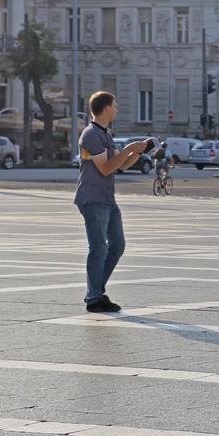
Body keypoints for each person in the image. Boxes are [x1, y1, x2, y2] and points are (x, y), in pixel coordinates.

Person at [74, 91, 150, 313]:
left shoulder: (105, 134)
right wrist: (127, 149)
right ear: (106, 108)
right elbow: (106, 168)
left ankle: (96, 291)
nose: (117, 109)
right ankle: (95, 298)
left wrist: (139, 152)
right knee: (98, 249)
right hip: (93, 198)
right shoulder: (90, 135)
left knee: (117, 245)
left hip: (107, 199)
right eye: (115, 105)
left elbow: (122, 165)